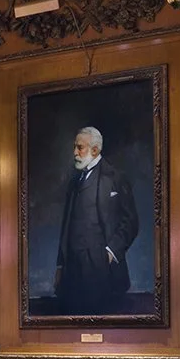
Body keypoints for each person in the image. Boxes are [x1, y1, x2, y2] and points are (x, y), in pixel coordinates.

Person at [54, 125, 139, 315]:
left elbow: (131, 222)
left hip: (102, 272)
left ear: (95, 150)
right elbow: (66, 227)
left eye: (80, 147)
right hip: (72, 273)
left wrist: (109, 253)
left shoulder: (115, 178)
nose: (75, 152)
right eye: (75, 147)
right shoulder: (75, 182)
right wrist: (60, 265)